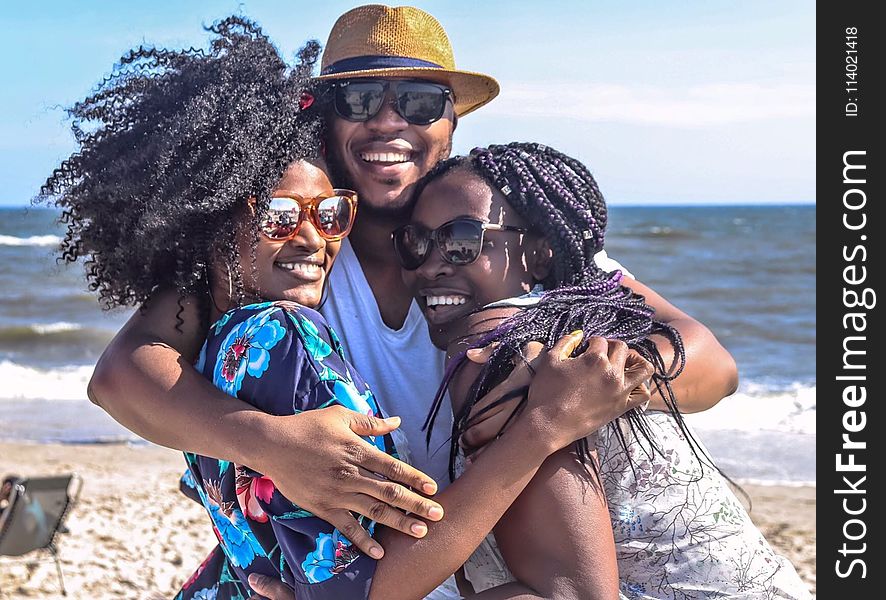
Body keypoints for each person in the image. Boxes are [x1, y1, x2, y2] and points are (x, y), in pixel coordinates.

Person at [83, 5, 739, 568]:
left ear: (452, 125)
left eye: (421, 103)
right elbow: (123, 376)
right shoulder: (296, 246)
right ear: (323, 116)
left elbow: (708, 362)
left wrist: (571, 391)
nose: (389, 122)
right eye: (361, 99)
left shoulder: (502, 235)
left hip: (506, 568)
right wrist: (265, 443)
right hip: (374, 573)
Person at [390, 142, 810, 599]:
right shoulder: (591, 316)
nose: (431, 265)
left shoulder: (498, 356)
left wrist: (606, 379)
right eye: (416, 243)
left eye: (461, 241)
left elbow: (571, 595)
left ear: (543, 253)